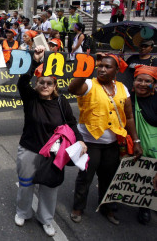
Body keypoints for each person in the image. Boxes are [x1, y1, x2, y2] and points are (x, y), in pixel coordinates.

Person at [15, 46, 86, 237]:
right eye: (41, 83)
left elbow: (71, 123)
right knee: (26, 184)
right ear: (36, 84)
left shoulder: (61, 102)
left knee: (50, 187)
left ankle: (46, 219)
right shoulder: (31, 99)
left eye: (49, 83)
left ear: (55, 86)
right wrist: (36, 61)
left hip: (54, 154)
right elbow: (22, 82)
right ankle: (23, 212)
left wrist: (80, 141)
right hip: (29, 150)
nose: (45, 86)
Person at [69, 54, 142, 225]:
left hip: (112, 144)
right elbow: (73, 89)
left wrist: (136, 141)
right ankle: (78, 207)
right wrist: (83, 70)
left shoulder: (122, 88)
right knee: (85, 177)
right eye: (100, 66)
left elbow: (129, 117)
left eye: (107, 66)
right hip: (90, 143)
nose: (102, 69)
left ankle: (106, 207)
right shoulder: (88, 84)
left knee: (109, 178)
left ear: (116, 70)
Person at [130, 65, 157, 225]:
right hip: (131, 145)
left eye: (147, 81)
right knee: (138, 177)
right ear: (133, 81)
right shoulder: (126, 97)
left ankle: (147, 206)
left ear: (154, 84)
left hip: (153, 147)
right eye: (139, 80)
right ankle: (141, 205)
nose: (142, 83)